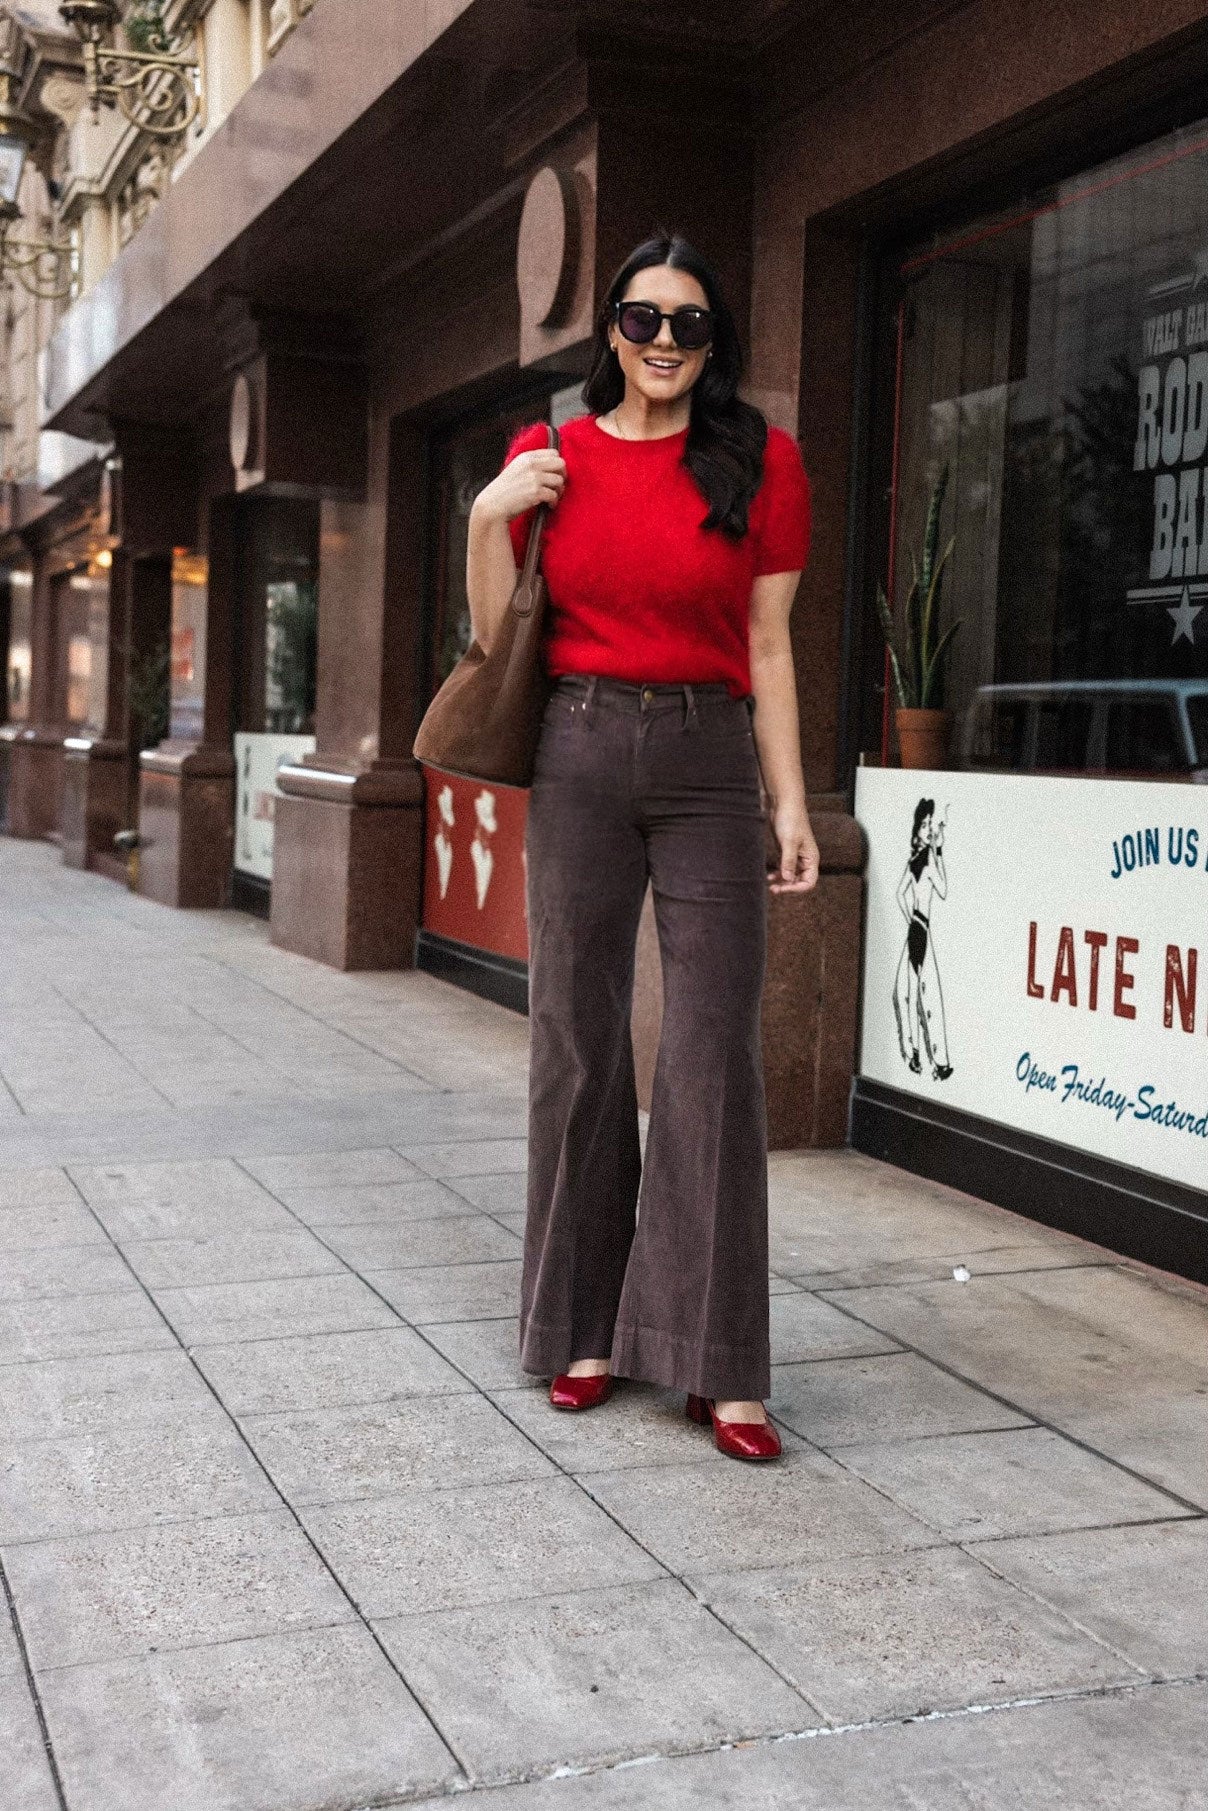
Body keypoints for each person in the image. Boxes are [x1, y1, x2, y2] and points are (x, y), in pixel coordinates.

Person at [465, 233, 816, 1461]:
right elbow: (494, 632)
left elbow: (768, 647)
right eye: (642, 317)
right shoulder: (545, 457)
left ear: (714, 345)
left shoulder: (758, 460)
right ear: (607, 327)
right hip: (576, 744)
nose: (664, 342)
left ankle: (716, 1360)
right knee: (574, 1027)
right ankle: (580, 1328)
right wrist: (481, 516)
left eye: (689, 324)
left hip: (711, 756)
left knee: (713, 1043)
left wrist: (788, 803)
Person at [893, 798, 952, 1080]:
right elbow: (943, 889)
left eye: (931, 824)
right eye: (925, 824)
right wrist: (939, 852)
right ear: (917, 829)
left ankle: (917, 1054)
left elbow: (901, 895)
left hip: (916, 928)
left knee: (912, 993)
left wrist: (910, 919)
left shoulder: (916, 860)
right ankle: (934, 1060)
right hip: (921, 929)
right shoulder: (924, 860)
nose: (929, 828)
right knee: (923, 995)